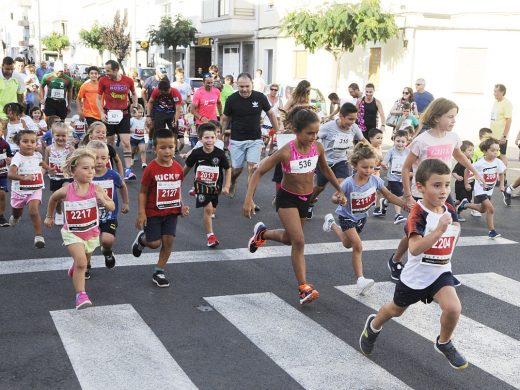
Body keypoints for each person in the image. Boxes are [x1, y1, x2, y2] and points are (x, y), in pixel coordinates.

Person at [360, 158, 468, 370]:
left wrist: (451, 233)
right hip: (415, 277)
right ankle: (373, 327)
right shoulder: (417, 214)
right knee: (395, 311)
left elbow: (454, 231)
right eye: (437, 185)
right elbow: (415, 248)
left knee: (454, 308)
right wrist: (439, 231)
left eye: (446, 185)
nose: (444, 190)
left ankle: (443, 342)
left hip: (440, 272)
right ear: (420, 187)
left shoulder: (448, 207)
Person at [243, 106, 347, 305]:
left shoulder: (318, 147)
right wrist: (249, 199)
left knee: (290, 239)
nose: (313, 137)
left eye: (316, 132)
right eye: (309, 133)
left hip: (305, 199)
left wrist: (339, 188)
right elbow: (258, 171)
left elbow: (324, 168)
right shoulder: (285, 151)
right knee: (299, 241)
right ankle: (303, 288)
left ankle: (262, 234)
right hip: (287, 198)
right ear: (297, 131)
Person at [389, 98, 484, 283]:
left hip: (443, 192)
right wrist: (408, 196)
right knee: (415, 233)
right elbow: (406, 168)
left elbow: (459, 155)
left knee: (455, 228)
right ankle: (395, 260)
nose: (453, 120)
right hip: (422, 194)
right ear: (436, 116)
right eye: (450, 116)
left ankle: (443, 268)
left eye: (455, 117)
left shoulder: (453, 137)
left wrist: (474, 171)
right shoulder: (421, 141)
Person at [323, 142, 408, 295]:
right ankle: (360, 280)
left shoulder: (375, 180)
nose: (368, 170)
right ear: (355, 165)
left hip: (361, 218)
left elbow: (388, 195)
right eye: (364, 167)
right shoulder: (349, 183)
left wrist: (405, 205)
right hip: (347, 217)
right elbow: (334, 197)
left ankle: (331, 224)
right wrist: (339, 199)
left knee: (347, 243)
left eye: (372, 167)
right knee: (358, 246)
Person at [44, 148, 115, 310]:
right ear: (73, 170)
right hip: (72, 233)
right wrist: (49, 216)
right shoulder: (66, 190)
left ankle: (75, 268)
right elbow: (53, 198)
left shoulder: (96, 189)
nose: (91, 171)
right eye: (85, 168)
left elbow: (111, 206)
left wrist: (103, 201)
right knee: (82, 263)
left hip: (91, 232)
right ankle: (81, 295)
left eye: (92, 168)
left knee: (83, 261)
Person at [132, 129, 190, 287]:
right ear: (155, 148)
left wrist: (182, 205)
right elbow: (143, 192)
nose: (167, 151)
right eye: (163, 147)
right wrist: (141, 213)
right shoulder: (151, 169)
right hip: (153, 212)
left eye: (171, 147)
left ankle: (159, 271)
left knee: (169, 240)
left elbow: (176, 189)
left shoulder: (178, 168)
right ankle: (143, 240)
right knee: (154, 243)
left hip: (172, 212)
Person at [221, 72, 279, 198]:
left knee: (253, 169)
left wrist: (278, 131)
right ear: (237, 85)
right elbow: (225, 118)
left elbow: (271, 114)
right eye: (241, 87)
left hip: (255, 139)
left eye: (247, 86)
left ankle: (249, 199)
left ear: (252, 84)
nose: (244, 89)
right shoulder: (232, 99)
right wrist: (220, 135)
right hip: (237, 140)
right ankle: (233, 181)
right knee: (237, 169)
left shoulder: (260, 97)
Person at [307, 102, 364, 219]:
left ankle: (344, 211)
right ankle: (309, 203)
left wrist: (373, 153)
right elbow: (313, 138)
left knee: (343, 185)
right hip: (325, 162)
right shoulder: (328, 127)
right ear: (341, 116)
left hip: (341, 161)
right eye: (350, 119)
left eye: (354, 119)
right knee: (319, 187)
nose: (352, 122)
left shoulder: (354, 127)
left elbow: (363, 140)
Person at [183, 123, 231, 247]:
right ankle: (210, 237)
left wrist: (226, 186)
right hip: (201, 186)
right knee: (208, 209)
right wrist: (178, 180)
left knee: (212, 210)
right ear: (200, 139)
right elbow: (187, 168)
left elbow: (227, 168)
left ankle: (209, 222)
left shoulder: (220, 153)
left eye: (212, 137)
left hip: (215, 187)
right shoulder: (196, 153)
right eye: (206, 138)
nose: (209, 140)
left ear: (216, 138)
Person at [88, 140, 129, 273]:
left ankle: (107, 252)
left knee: (107, 240)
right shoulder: (85, 175)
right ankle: (85, 265)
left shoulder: (112, 175)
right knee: (87, 244)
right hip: (89, 215)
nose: (99, 161)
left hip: (109, 215)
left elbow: (122, 186)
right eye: (95, 158)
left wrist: (125, 202)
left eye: (103, 158)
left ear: (108, 158)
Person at [96, 60, 138, 180]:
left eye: (108, 71)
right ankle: (108, 168)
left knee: (126, 142)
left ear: (116, 70)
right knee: (109, 143)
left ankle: (128, 170)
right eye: (105, 70)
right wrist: (101, 113)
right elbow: (98, 98)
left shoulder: (128, 80)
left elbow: (134, 94)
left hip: (123, 114)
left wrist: (134, 105)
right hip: (109, 115)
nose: (106, 73)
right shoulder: (103, 80)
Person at [7, 130, 49, 247]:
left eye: (33, 141)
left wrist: (50, 169)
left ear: (36, 144)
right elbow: (10, 174)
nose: (29, 144)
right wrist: (23, 177)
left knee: (33, 210)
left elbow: (41, 163)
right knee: (17, 212)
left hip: (35, 189)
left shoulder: (37, 155)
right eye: (25, 141)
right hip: (19, 191)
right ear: (18, 143)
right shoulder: (17, 158)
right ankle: (15, 217)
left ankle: (39, 237)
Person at [457, 138, 505, 239]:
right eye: (492, 150)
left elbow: (501, 173)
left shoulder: (498, 162)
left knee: (482, 209)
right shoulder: (480, 163)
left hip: (489, 191)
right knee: (490, 209)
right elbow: (467, 169)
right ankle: (492, 231)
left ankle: (465, 204)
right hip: (480, 191)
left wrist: (501, 185)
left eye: (497, 150)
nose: (495, 153)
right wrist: (466, 184)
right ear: (485, 151)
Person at [43, 121, 74, 225]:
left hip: (67, 176)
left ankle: (69, 215)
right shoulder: (49, 149)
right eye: (58, 135)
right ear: (52, 135)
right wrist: (43, 173)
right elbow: (45, 163)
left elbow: (75, 163)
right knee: (56, 199)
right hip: (55, 177)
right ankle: (59, 212)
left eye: (63, 135)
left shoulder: (70, 148)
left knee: (66, 194)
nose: (61, 138)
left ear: (67, 136)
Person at [382, 130, 411, 225]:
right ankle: (397, 215)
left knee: (393, 195)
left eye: (403, 142)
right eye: (398, 141)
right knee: (399, 196)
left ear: (407, 142)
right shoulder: (391, 151)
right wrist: (384, 165)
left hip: (403, 178)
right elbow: (384, 162)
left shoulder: (408, 151)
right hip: (393, 178)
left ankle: (385, 202)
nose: (400, 144)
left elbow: (412, 163)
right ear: (394, 140)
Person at [145, 80, 182, 149]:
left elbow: (178, 110)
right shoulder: (156, 91)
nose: (163, 93)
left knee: (174, 130)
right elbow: (150, 102)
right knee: (159, 131)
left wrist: (175, 120)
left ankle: (173, 148)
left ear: (169, 89)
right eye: (161, 92)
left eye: (165, 92)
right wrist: (148, 116)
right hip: (159, 112)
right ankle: (158, 146)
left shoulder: (175, 92)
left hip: (172, 113)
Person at [0, 57, 26, 134]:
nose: (10, 71)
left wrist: (20, 111)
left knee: (10, 135)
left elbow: (20, 95)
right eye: (7, 69)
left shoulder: (17, 76)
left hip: (12, 112)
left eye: (12, 69)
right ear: (2, 66)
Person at [490, 83, 512, 167]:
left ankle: (504, 176)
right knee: (496, 155)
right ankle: (498, 175)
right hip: (493, 135)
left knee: (502, 154)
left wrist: (504, 136)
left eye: (496, 91)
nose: (494, 93)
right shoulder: (495, 102)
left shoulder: (507, 103)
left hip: (501, 136)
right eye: (494, 91)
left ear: (502, 92)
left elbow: (509, 120)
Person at [452, 140, 474, 222]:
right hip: (461, 185)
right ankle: (457, 213)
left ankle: (451, 204)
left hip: (469, 184)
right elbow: (453, 172)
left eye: (473, 150)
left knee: (462, 200)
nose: (472, 152)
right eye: (470, 150)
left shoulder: (471, 161)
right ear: (462, 152)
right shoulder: (461, 162)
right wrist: (457, 176)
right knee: (464, 200)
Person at [261, 83, 283, 156]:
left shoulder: (279, 100)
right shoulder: (265, 98)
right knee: (266, 138)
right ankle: (263, 149)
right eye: (272, 89)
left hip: (274, 122)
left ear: (277, 91)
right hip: (265, 122)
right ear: (270, 90)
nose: (273, 91)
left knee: (273, 139)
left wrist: (281, 123)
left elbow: (281, 112)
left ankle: (270, 153)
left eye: (275, 90)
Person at [0, 134, 13, 226]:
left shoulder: (4, 143)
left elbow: (10, 156)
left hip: (2, 173)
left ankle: (1, 217)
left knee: (2, 194)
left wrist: (10, 160)